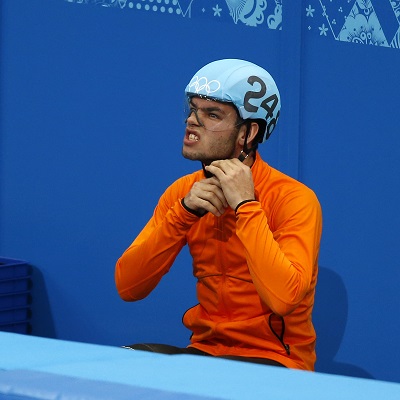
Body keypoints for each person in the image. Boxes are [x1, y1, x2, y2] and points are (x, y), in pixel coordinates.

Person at [115, 59, 322, 370]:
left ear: (249, 133)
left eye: (212, 114)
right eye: (192, 109)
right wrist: (183, 214)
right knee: (121, 365)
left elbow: (284, 299)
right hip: (206, 353)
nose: (192, 122)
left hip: (276, 361)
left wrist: (246, 206)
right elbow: (128, 286)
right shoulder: (182, 192)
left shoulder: (293, 199)